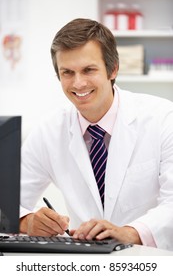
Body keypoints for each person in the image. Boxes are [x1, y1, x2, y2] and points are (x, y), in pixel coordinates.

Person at [20, 18, 173, 251]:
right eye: (67, 72)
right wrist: (26, 221)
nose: (78, 83)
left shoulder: (163, 118)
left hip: (152, 261)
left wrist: (130, 232)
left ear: (113, 69)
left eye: (88, 70)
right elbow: (7, 200)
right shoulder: (48, 132)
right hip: (85, 262)